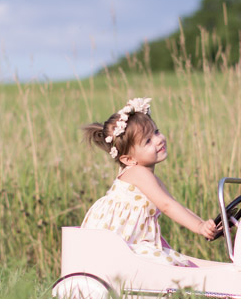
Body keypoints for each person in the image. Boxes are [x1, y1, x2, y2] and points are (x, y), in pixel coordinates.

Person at [81, 97, 220, 266]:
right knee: (167, 262)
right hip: (122, 245)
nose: (158, 139)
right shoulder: (138, 173)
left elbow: (175, 204)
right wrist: (198, 227)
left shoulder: (148, 176)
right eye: (147, 141)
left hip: (132, 241)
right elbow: (167, 206)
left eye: (156, 131)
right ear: (129, 159)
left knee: (175, 261)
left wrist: (204, 225)